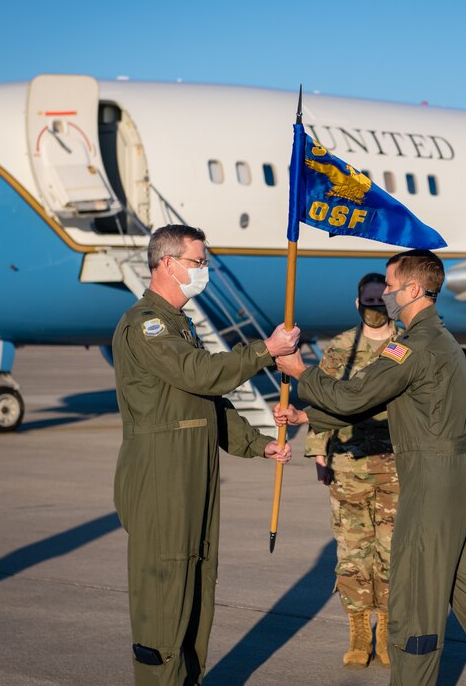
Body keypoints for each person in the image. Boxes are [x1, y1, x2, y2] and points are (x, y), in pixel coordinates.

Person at [275, 250, 466, 686]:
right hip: (463, 475)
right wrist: (311, 418)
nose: (385, 293)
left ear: (414, 289)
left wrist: (301, 373)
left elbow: (354, 396)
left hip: (432, 482)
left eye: (390, 283)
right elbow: (386, 404)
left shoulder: (410, 346)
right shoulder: (441, 340)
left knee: (414, 605)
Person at [112, 224, 299, 685]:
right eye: (198, 262)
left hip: (192, 474)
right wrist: (265, 350)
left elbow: (207, 405)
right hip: (162, 477)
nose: (204, 271)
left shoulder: (180, 324)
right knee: (165, 594)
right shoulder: (147, 324)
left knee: (196, 584)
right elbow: (200, 374)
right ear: (167, 263)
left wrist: (259, 444)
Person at [305, 272, 399, 669]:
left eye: (382, 301)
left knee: (394, 553)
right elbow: (320, 402)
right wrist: (318, 451)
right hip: (349, 466)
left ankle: (390, 632)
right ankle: (359, 632)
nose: (375, 307)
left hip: (398, 467)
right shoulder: (340, 347)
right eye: (368, 300)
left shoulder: (407, 347)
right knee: (353, 553)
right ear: (356, 302)